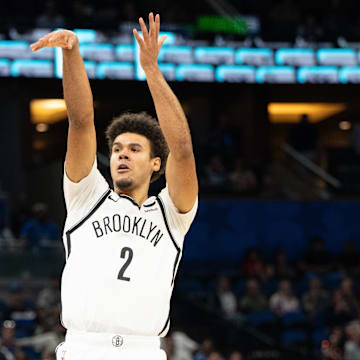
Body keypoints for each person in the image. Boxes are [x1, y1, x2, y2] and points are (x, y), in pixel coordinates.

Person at [30, 12, 198, 360]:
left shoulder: (171, 214)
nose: (122, 155)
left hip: (144, 351)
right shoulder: (86, 196)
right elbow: (80, 122)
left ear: (156, 164)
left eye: (134, 149)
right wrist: (72, 52)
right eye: (117, 149)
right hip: (83, 347)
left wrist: (151, 70)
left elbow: (181, 149)